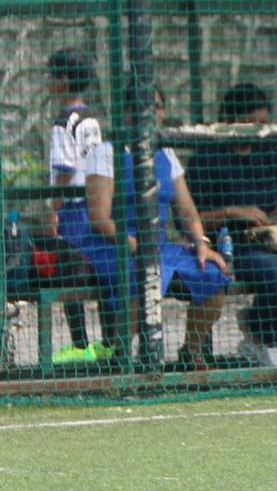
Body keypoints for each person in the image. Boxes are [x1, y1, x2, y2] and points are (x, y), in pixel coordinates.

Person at [59, 88, 231, 372]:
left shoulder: (166, 153)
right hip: (113, 244)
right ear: (127, 113)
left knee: (214, 273)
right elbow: (100, 219)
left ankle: (191, 351)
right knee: (145, 273)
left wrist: (201, 242)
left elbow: (187, 211)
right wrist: (137, 245)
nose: (152, 113)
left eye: (158, 107)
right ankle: (119, 355)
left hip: (159, 246)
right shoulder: (106, 153)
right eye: (143, 106)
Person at [185, 83, 277, 367]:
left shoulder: (268, 151)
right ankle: (260, 337)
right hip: (235, 246)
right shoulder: (206, 159)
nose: (257, 130)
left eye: (263, 124)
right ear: (231, 120)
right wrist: (233, 212)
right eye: (251, 123)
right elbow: (191, 217)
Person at [46, 47, 111, 361]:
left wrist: (53, 210)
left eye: (51, 75)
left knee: (72, 271)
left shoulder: (64, 122)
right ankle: (109, 342)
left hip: (73, 209)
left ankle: (81, 345)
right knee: (99, 269)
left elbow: (65, 169)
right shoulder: (92, 119)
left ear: (62, 80)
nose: (47, 81)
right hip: (97, 204)